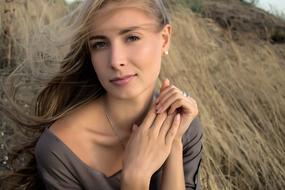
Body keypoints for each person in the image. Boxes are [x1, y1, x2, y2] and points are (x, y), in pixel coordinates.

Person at [1, 0, 203, 189]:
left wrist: (174, 145)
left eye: (131, 37)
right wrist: (135, 180)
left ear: (165, 39)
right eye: (100, 44)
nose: (115, 61)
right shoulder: (61, 150)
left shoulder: (184, 122)